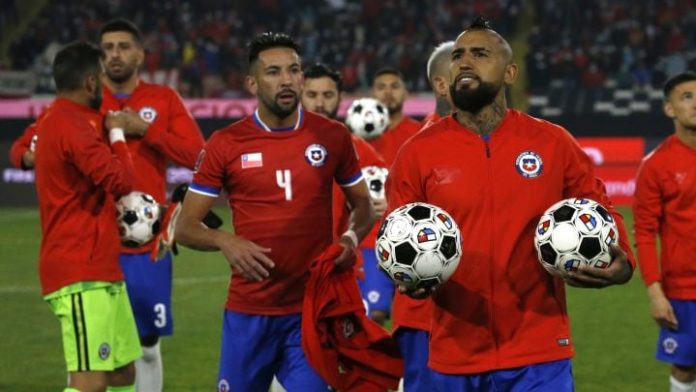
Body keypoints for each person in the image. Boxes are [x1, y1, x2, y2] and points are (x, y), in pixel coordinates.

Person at [386, 17, 634, 391]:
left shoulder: (552, 142)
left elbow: (600, 206)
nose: (464, 63)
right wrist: (404, 278)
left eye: (480, 54)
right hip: (454, 352)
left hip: (539, 351)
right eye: (458, 56)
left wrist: (623, 262)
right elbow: (395, 232)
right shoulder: (418, 152)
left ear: (509, 72)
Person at [175, 32, 375, 391]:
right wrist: (224, 240)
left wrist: (349, 238)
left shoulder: (332, 136)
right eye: (273, 72)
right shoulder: (226, 143)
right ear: (252, 82)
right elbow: (185, 227)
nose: (286, 80)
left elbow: (362, 204)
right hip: (250, 310)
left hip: (310, 310)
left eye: (293, 70)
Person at [98, 19, 205, 391]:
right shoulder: (88, 100)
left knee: (146, 343)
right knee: (92, 346)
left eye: (123, 46)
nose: (115, 54)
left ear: (140, 54)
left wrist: (145, 130)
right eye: (108, 47)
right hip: (95, 239)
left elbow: (198, 155)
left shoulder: (163, 99)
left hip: (147, 243)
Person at [35, 41, 140, 392]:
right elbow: (122, 181)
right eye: (103, 80)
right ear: (91, 83)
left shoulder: (63, 120)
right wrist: (117, 134)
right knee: (89, 382)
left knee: (123, 372)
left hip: (101, 268)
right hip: (79, 271)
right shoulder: (70, 124)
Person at [301, 62, 390, 323]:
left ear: (340, 99)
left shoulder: (358, 151)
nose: (319, 103)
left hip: (336, 264)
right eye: (312, 95)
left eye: (327, 95)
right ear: (299, 96)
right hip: (290, 267)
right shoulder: (277, 146)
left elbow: (381, 202)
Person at [390, 40, 454, 391]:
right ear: (440, 84)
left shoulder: (491, 142)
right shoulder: (416, 151)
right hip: (424, 315)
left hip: (481, 314)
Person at [633, 71, 696, 392]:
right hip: (683, 290)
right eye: (687, 97)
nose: (695, 104)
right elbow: (644, 232)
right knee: (684, 370)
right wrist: (655, 292)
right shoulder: (656, 165)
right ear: (670, 109)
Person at [370, 66, 422, 165]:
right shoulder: (361, 136)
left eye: (394, 86)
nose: (388, 92)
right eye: (381, 87)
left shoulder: (420, 132)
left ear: (405, 93)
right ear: (372, 94)